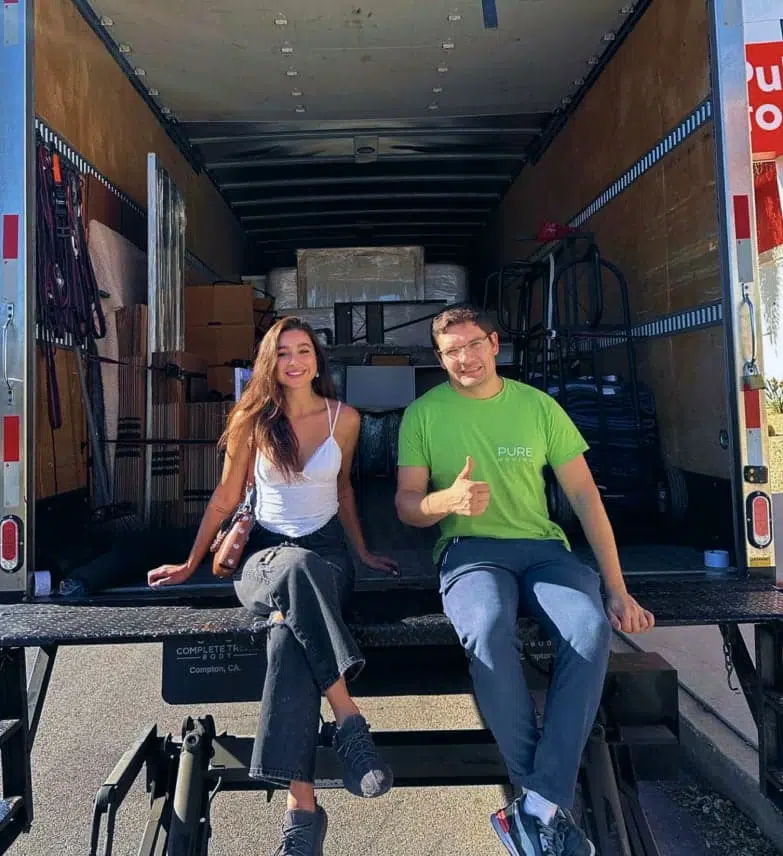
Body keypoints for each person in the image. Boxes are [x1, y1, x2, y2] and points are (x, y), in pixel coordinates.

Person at [394, 304, 655, 856]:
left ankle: (535, 808)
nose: (465, 358)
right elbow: (407, 504)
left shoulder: (539, 407)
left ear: (495, 344)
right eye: (451, 351)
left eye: (473, 344)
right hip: (470, 551)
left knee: (588, 629)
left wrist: (617, 587)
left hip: (543, 551)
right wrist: (446, 501)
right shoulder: (422, 414)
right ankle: (541, 803)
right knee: (488, 631)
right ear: (440, 359)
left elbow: (584, 496)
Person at [148, 316, 398, 856]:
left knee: (287, 635)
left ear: (317, 359)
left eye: (303, 350)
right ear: (270, 361)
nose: (294, 361)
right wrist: (191, 563)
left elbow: (344, 491)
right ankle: (348, 718)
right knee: (295, 569)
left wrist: (362, 553)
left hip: (327, 555)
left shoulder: (345, 419)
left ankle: (302, 812)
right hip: (264, 556)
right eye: (283, 352)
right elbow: (224, 497)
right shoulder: (251, 419)